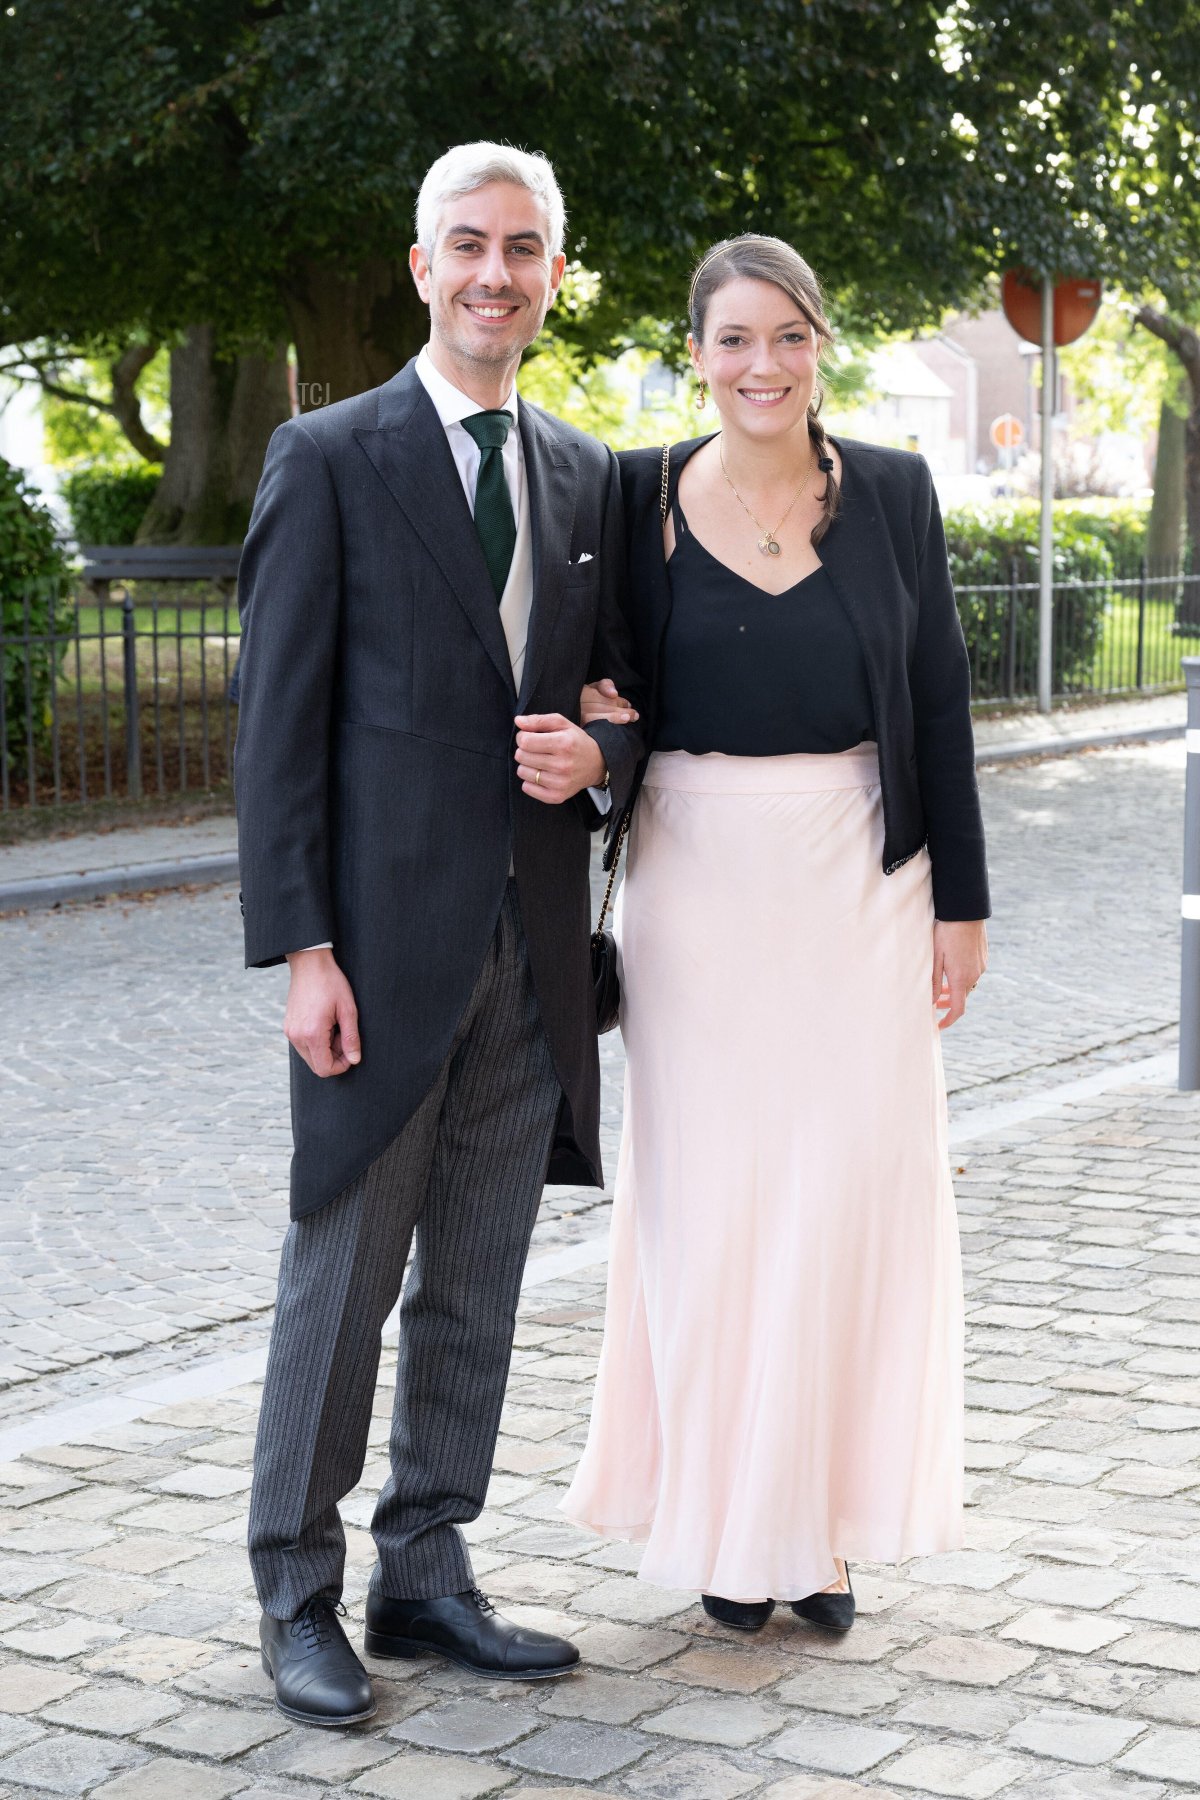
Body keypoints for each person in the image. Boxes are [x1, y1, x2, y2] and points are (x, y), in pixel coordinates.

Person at [234, 141, 644, 1726]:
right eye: (467, 244)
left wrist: (601, 755)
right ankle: (295, 1590)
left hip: (537, 958)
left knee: (479, 1274)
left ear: (553, 273)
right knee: (339, 1281)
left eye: (523, 247)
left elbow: (623, 693)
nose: (495, 272)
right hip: (379, 956)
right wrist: (304, 952)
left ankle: (427, 1568)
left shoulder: (587, 472)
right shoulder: (324, 455)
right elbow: (276, 732)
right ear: (422, 268)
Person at [562, 234, 990, 1633]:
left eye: (789, 337)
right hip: (697, 884)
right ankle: (725, 1531)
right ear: (697, 352)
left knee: (844, 1202)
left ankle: (821, 1532)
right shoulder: (635, 497)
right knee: (715, 1208)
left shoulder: (898, 493)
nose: (764, 366)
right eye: (735, 339)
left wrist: (961, 906)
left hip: (861, 880)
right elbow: (614, 702)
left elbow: (936, 703)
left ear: (822, 345)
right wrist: (595, 754)